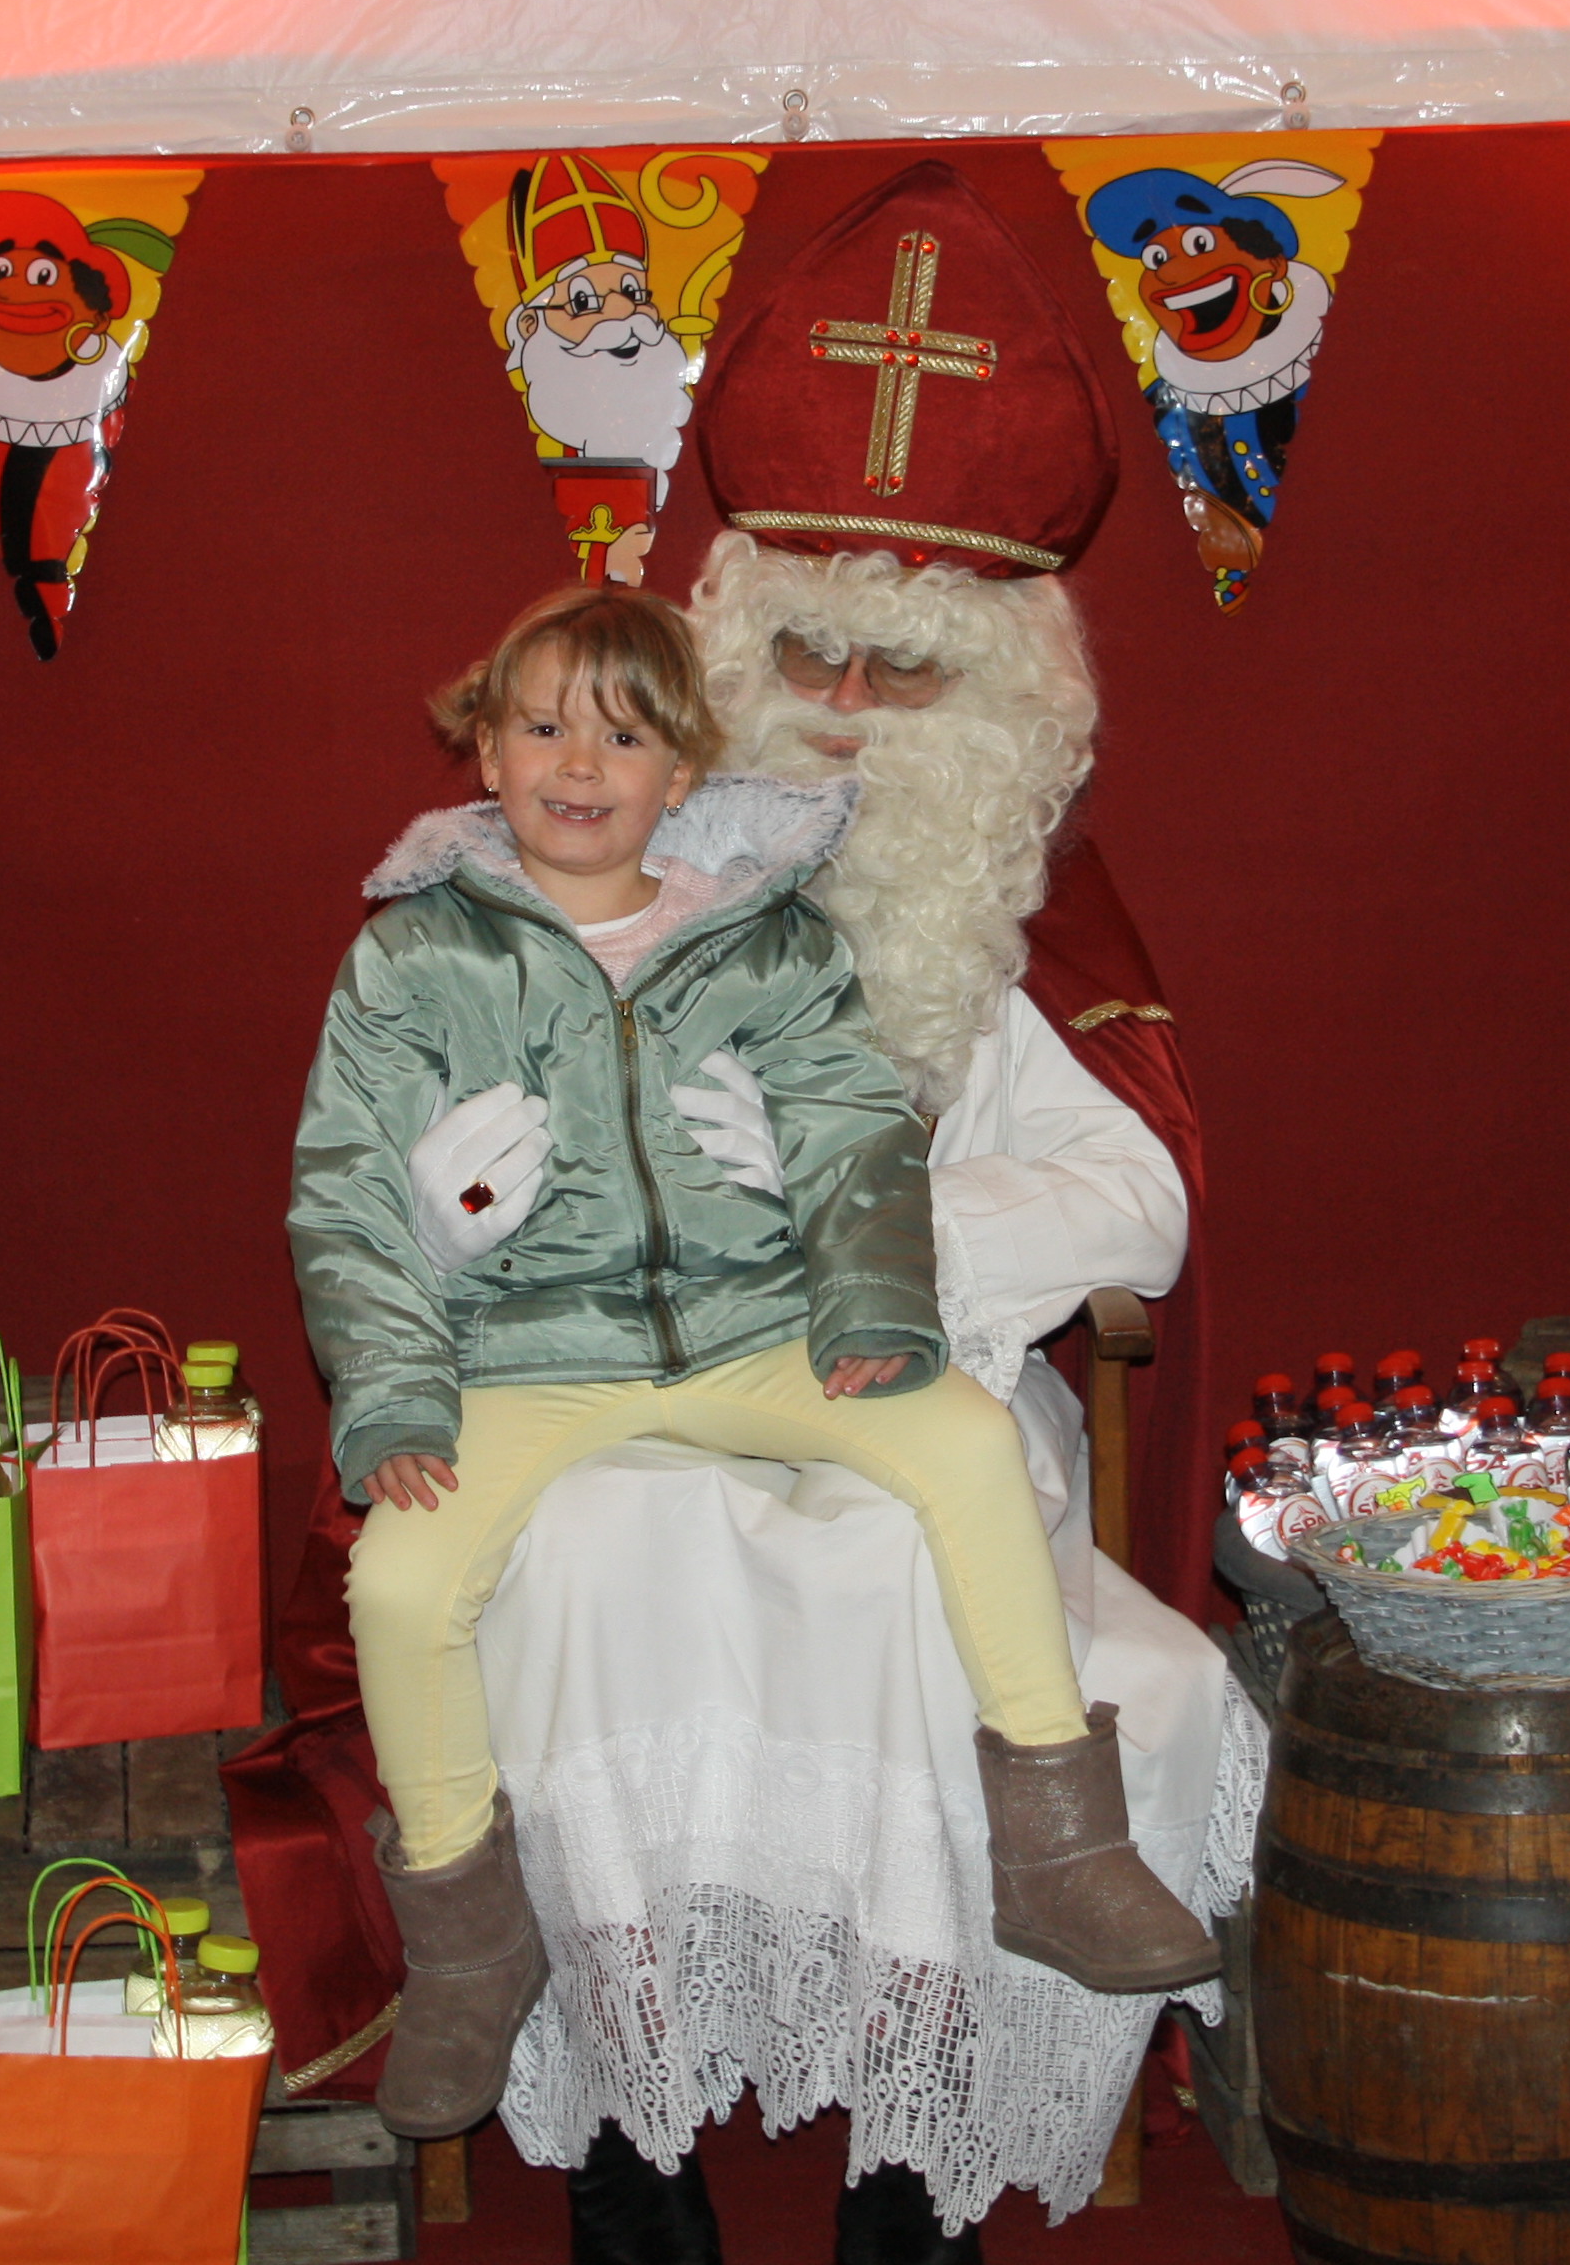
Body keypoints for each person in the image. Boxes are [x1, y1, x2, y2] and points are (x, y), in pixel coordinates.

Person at [444, 162, 1260, 2258]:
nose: (843, 706)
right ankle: (630, 2163)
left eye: (901, 670)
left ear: (1004, 695)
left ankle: (910, 2186)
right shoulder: (609, 885)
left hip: (917, 1408)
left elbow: (1141, 1203)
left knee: (910, 1557)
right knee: (576, 1552)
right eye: (804, 650)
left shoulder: (1019, 918)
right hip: (647, 1398)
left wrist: (888, 1231)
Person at [287, 581, 1220, 2143]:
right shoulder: (415, 956)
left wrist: (871, 1307)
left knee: (966, 1445)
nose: (578, 766)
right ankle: (470, 1942)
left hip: (750, 1328)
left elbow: (852, 1134)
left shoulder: (763, 934)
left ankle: (1059, 1848)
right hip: (535, 1357)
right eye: (540, 728)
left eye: (622, 737)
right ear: (486, 754)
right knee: (400, 1584)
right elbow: (346, 1196)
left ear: (682, 770)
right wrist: (395, 1387)